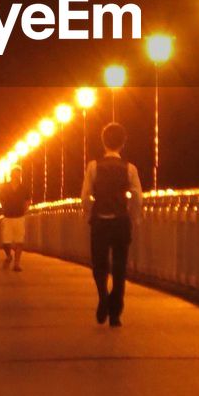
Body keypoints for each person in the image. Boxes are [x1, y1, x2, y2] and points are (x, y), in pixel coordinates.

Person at [80, 122, 142, 327]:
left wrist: (90, 213)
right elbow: (137, 196)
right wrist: (133, 216)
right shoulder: (130, 168)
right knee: (119, 266)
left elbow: (85, 196)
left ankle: (103, 297)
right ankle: (115, 312)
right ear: (123, 143)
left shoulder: (93, 166)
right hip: (120, 222)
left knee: (99, 264)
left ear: (103, 142)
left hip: (100, 222)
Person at [0, 165, 30, 270]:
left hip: (19, 216)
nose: (18, 176)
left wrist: (25, 210)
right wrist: (4, 207)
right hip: (8, 216)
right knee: (5, 242)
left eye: (19, 174)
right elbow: (1, 199)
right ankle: (9, 256)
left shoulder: (24, 187)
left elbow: (27, 200)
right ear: (12, 175)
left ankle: (17, 263)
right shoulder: (5, 187)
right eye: (16, 174)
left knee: (19, 241)